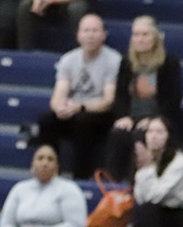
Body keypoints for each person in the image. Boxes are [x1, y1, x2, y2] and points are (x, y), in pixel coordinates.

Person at [33, 14, 120, 180]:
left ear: (103, 35)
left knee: (83, 122)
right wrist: (60, 108)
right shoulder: (68, 59)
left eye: (95, 31)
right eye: (86, 31)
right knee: (46, 119)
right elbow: (58, 95)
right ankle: (50, 172)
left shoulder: (114, 60)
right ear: (78, 35)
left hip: (100, 114)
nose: (90, 35)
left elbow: (109, 101)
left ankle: (79, 177)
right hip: (74, 110)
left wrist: (81, 107)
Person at [103, 16, 183, 178]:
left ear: (155, 37)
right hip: (132, 118)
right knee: (118, 133)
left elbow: (174, 99)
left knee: (141, 135)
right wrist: (123, 116)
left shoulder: (169, 63)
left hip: (161, 119)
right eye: (136, 35)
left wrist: (155, 119)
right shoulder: (126, 62)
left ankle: (136, 183)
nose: (140, 39)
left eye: (145, 34)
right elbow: (120, 96)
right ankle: (113, 183)